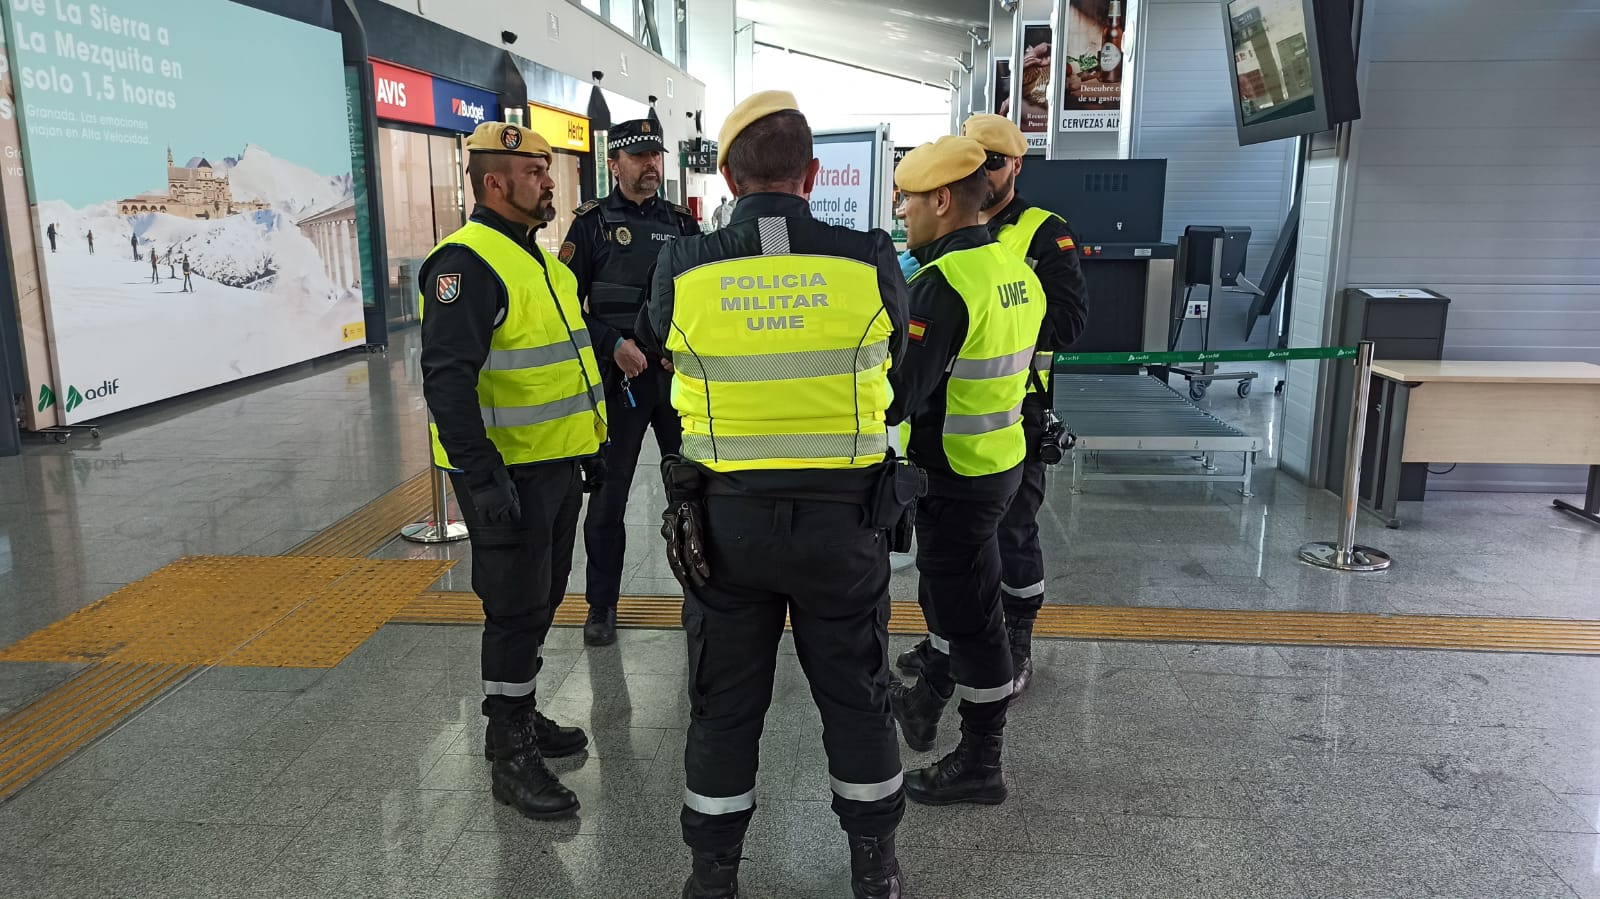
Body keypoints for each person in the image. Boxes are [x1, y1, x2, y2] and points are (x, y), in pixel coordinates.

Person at [637, 90, 912, 899]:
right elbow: (894, 367)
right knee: (858, 696)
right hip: (845, 525)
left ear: (727, 177)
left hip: (723, 529)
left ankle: (713, 874)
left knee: (723, 705)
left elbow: (659, 345)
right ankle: (875, 866)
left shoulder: (685, 264)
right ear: (812, 174)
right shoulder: (868, 257)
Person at [417, 121, 608, 822]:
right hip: (507, 473)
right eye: (535, 171)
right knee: (513, 606)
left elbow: (563, 365)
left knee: (543, 595)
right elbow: (447, 381)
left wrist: (586, 445)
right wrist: (482, 475)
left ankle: (519, 711)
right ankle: (508, 752)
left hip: (551, 464)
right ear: (494, 182)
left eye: (547, 169)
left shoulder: (542, 263)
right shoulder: (465, 264)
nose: (549, 182)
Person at [897, 114, 1090, 698]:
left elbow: (1069, 322)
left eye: (993, 162)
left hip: (1015, 408)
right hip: (957, 414)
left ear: (1015, 166)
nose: (982, 170)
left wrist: (984, 326)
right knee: (955, 559)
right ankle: (944, 649)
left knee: (1012, 536)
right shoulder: (949, 242)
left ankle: (1014, 640)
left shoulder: (1041, 233)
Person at [885, 135, 1045, 807]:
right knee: (958, 602)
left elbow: (898, 395)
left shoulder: (942, 286)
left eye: (909, 199)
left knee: (976, 624)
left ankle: (982, 761)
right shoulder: (1014, 270)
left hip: (954, 474)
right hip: (999, 460)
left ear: (943, 200)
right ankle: (925, 699)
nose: (902, 212)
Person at [559, 118, 700, 647]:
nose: (651, 165)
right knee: (608, 497)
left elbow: (703, 297)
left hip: (675, 379)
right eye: (639, 156)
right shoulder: (592, 224)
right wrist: (612, 343)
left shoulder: (682, 223)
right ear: (613, 164)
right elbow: (565, 306)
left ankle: (698, 596)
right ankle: (602, 605)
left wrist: (681, 349)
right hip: (620, 382)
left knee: (691, 491)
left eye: (655, 156)